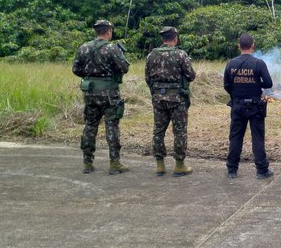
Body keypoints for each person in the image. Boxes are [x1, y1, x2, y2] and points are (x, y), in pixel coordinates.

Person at [72, 19, 131, 175]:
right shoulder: (112, 49)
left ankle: (87, 163)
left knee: (90, 126)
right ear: (108, 32)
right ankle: (114, 163)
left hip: (90, 93)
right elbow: (124, 68)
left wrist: (91, 76)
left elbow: (76, 69)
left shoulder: (84, 48)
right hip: (109, 94)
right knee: (112, 126)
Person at [144, 26, 197, 177]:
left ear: (162, 38)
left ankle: (159, 165)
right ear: (175, 38)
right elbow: (191, 75)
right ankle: (179, 165)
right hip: (177, 99)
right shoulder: (180, 55)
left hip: (158, 99)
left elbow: (147, 78)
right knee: (179, 132)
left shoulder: (151, 55)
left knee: (158, 131)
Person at [224, 33, 274, 179]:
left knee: (235, 137)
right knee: (257, 137)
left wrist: (236, 93)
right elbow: (269, 83)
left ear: (239, 46)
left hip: (237, 105)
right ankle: (262, 170)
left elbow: (226, 85)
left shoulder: (230, 63)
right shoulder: (258, 63)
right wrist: (256, 83)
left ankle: (232, 170)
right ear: (252, 45)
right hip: (255, 106)